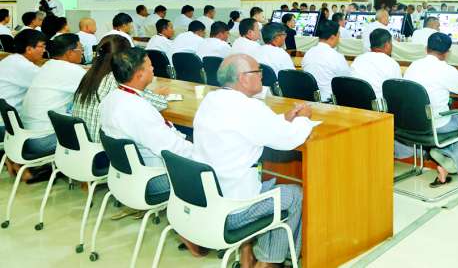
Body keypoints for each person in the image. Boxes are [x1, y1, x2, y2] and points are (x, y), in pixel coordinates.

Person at [192, 54, 312, 267]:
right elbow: (289, 139)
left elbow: (251, 126)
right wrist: (304, 118)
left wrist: (283, 119)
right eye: (258, 72)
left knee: (271, 186)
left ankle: (252, 253)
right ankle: (268, 262)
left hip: (207, 201)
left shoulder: (211, 100)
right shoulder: (249, 108)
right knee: (295, 195)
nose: (261, 76)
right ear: (243, 78)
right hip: (234, 210)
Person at [99, 47, 201, 255]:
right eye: (150, 66)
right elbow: (171, 150)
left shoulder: (112, 98)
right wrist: (202, 154)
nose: (153, 69)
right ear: (139, 74)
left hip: (124, 176)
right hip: (152, 177)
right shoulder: (136, 108)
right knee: (207, 171)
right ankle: (193, 231)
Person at [404, 33, 458, 187]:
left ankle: (441, 154)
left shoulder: (413, 66)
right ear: (446, 53)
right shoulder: (445, 69)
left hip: (414, 123)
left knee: (455, 121)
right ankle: (450, 163)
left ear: (426, 49)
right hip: (437, 123)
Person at [72, 35, 168, 142]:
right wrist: (159, 95)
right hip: (103, 146)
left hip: (82, 143)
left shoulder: (90, 74)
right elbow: (159, 104)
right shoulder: (116, 79)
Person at [21, 34, 85, 156]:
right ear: (69, 53)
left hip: (26, 136)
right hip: (43, 140)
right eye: (81, 49)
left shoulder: (48, 65)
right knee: (91, 134)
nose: (82, 52)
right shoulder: (72, 70)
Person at [301, 20, 351, 102]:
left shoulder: (308, 53)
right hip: (330, 102)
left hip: (310, 100)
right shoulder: (336, 56)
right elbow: (347, 81)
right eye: (339, 34)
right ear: (332, 37)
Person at [0, 29, 46, 112]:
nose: (44, 50)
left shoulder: (12, 59)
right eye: (41, 46)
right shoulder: (24, 66)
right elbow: (49, 82)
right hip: (8, 116)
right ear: (29, 49)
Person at [351, 28, 401, 99]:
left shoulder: (358, 59)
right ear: (387, 45)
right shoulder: (392, 64)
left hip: (355, 102)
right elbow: (397, 91)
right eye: (391, 43)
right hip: (378, 104)